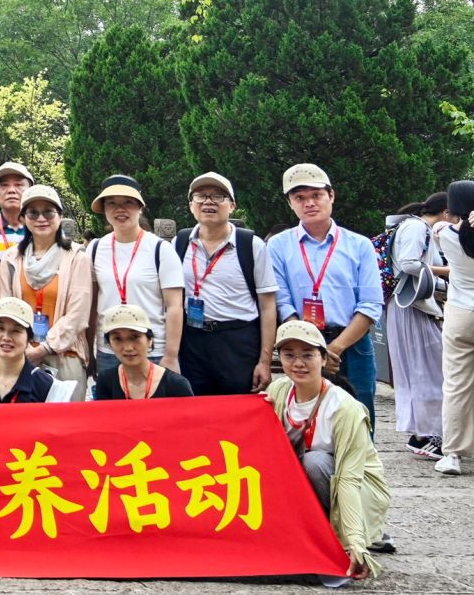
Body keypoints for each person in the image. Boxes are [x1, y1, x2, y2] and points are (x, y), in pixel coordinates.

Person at [267, 319, 391, 584]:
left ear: (324, 358)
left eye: (307, 355)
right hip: (306, 480)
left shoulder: (345, 408)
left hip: (358, 486)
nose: (298, 363)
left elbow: (348, 479)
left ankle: (334, 539)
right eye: (289, 355)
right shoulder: (278, 390)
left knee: (315, 462)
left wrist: (355, 542)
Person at [266, 163, 382, 426]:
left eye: (316, 195)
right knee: (305, 416)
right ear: (290, 204)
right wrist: (310, 347)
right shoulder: (278, 246)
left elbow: (370, 304)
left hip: (352, 344)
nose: (309, 203)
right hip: (301, 344)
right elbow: (281, 301)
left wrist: (333, 348)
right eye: (300, 198)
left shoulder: (360, 245)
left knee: (359, 413)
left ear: (331, 196)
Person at [171, 171, 277, 397]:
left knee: (238, 409)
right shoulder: (179, 243)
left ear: (232, 206)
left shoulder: (251, 245)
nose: (208, 202)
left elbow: (268, 306)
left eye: (218, 196)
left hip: (237, 342)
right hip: (191, 341)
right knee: (194, 408)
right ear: (191, 205)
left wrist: (264, 361)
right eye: (201, 196)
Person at [0, 185, 94, 396]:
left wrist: (45, 348)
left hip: (65, 356)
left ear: (60, 216)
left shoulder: (77, 257)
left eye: (48, 212)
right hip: (21, 356)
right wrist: (24, 347)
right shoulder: (11, 259)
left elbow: (78, 314)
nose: (41, 218)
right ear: (23, 218)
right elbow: (5, 308)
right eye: (33, 213)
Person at [85, 176, 184, 386]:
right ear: (104, 209)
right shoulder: (95, 248)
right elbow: (92, 305)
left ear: (140, 207)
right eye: (112, 203)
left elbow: (174, 306)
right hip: (109, 349)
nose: (120, 209)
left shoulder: (160, 249)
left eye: (128, 202)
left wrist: (171, 355)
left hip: (152, 349)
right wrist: (89, 350)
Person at [385, 193, 449, 459]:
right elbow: (409, 263)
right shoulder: (416, 227)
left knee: (425, 370)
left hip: (413, 307)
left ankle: (424, 433)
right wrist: (449, 272)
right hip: (412, 307)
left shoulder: (414, 226)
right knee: (428, 371)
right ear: (446, 213)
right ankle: (427, 435)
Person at [436, 180, 474, 476]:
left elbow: (441, 226)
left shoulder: (443, 234)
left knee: (457, 385)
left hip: (460, 312)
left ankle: (452, 454)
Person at [0, 298, 65, 404]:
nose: (6, 337)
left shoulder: (46, 387)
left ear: (29, 337)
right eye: (0, 328)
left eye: (16, 330)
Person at [90, 306, 194, 400]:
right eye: (117, 338)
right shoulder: (106, 381)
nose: (128, 348)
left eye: (135, 337)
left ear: (150, 339)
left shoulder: (176, 385)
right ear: (109, 343)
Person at [0, 161, 33, 265]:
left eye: (18, 185)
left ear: (31, 191)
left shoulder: (45, 228)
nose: (11, 190)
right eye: (4, 185)